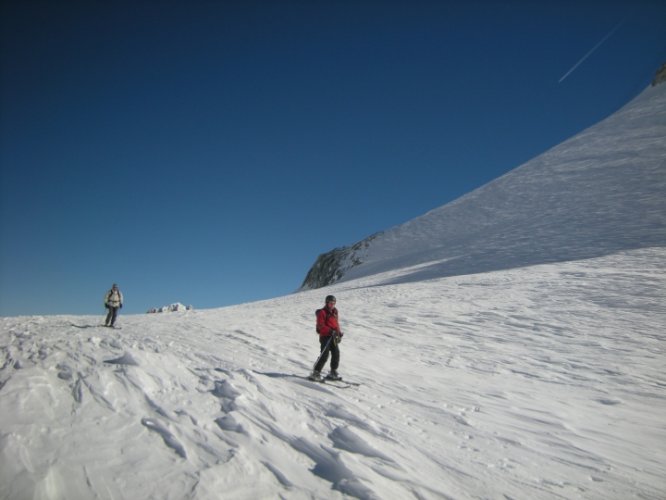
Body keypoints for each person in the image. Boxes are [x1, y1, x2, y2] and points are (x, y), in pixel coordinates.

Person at [310, 295, 344, 381]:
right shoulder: (322, 312)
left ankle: (333, 372)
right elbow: (320, 325)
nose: (332, 305)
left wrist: (338, 333)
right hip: (325, 336)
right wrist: (329, 331)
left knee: (336, 353)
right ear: (327, 303)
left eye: (333, 303)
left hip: (333, 336)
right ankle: (316, 372)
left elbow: (336, 324)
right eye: (330, 303)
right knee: (324, 354)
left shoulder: (335, 312)